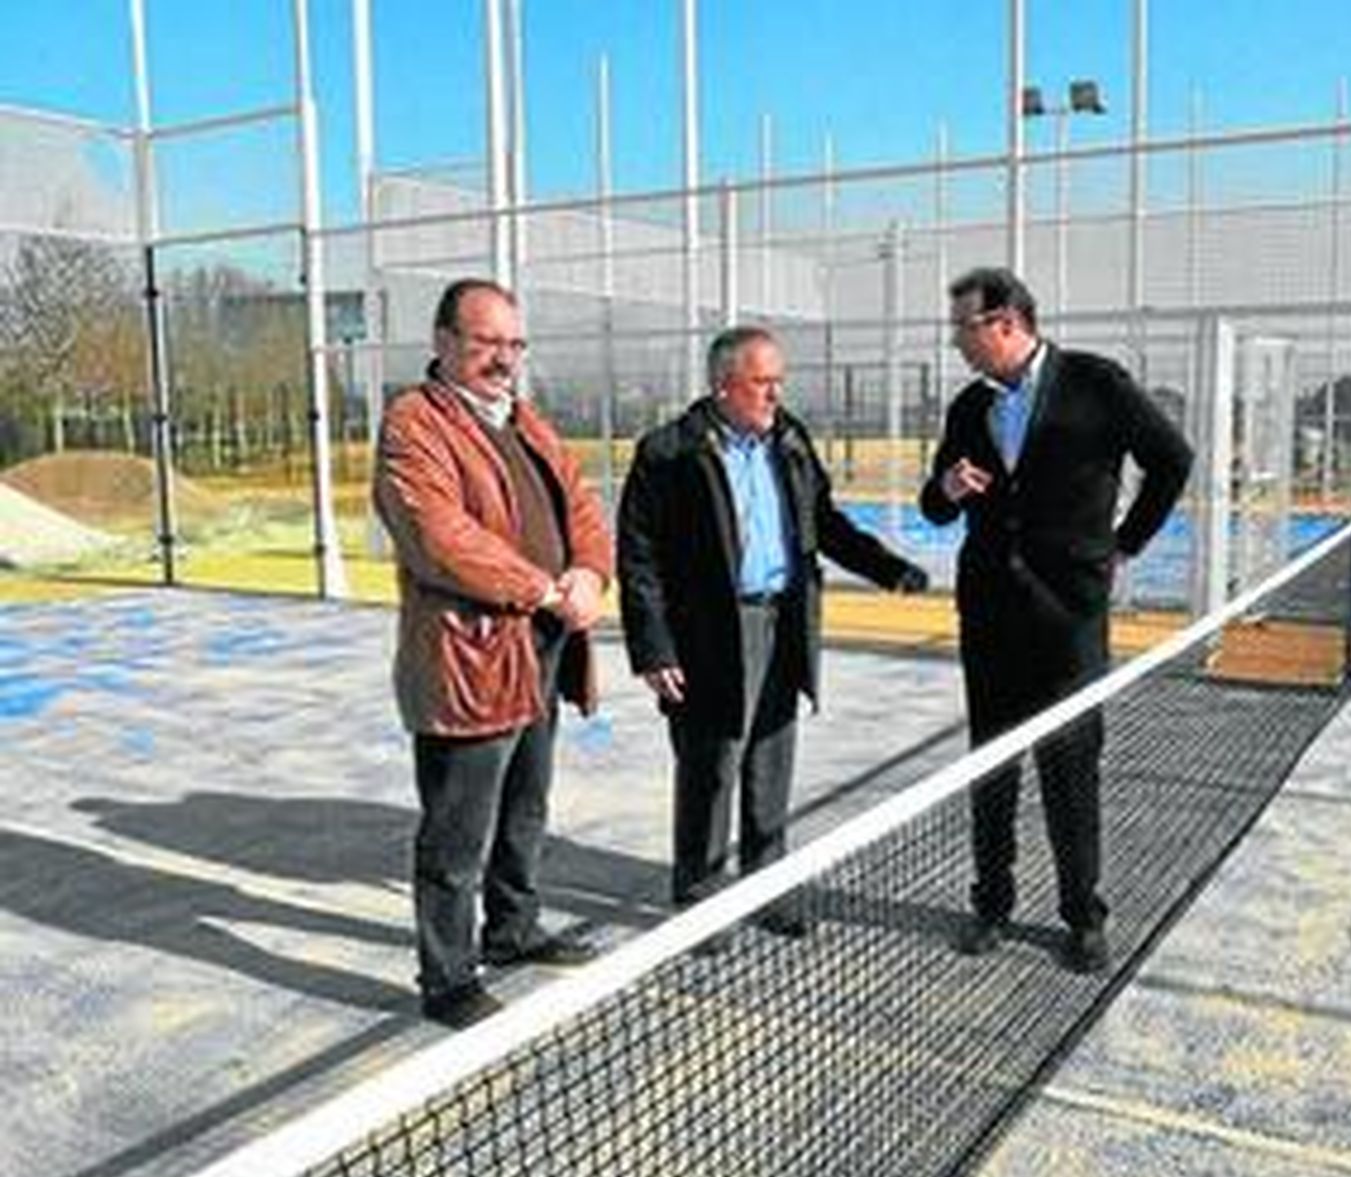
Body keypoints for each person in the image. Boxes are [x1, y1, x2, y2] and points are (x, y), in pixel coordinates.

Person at [618, 325, 928, 947]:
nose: (774, 394)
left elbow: (826, 523)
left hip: (782, 621)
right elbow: (638, 558)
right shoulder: (670, 452)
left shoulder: (789, 440)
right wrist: (654, 648)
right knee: (711, 769)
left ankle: (765, 885)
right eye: (762, 382)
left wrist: (887, 569)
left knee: (770, 762)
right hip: (708, 636)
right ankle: (701, 898)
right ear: (724, 384)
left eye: (778, 382)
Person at [920, 267, 1193, 971]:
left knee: (1071, 764)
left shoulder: (1096, 383)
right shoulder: (967, 406)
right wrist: (947, 487)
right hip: (989, 615)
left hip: (1068, 615)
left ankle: (1082, 914)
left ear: (1005, 323)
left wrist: (1124, 543)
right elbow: (935, 502)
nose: (956, 341)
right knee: (992, 762)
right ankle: (992, 903)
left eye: (962, 327)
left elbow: (1171, 459)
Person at [374, 278, 614, 1028]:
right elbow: (441, 539)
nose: (504, 359)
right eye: (487, 344)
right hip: (469, 659)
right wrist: (546, 589)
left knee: (526, 805)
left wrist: (589, 573)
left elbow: (581, 506)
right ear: (444, 342)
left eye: (514, 344)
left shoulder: (528, 422)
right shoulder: (414, 424)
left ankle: (511, 929)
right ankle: (447, 977)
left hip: (540, 649)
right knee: (456, 831)